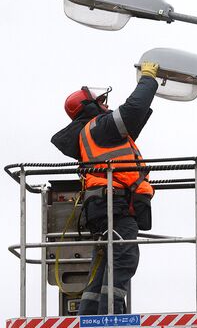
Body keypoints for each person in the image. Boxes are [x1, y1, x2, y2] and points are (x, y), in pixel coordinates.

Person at [50, 62, 160, 315]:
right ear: (90, 107)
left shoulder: (98, 132)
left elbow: (135, 118)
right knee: (124, 257)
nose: (107, 106)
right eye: (101, 102)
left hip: (109, 205)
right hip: (115, 206)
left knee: (105, 263)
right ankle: (112, 314)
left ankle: (88, 314)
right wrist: (148, 79)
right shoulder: (99, 127)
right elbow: (132, 110)